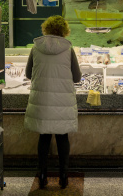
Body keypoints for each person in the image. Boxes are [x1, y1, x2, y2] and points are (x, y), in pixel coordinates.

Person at [24, 15, 81, 190]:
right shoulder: (68, 49)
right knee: (63, 137)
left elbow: (27, 74)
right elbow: (77, 77)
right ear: (64, 30)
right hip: (62, 100)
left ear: (46, 28)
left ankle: (42, 175)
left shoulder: (36, 48)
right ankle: (63, 176)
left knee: (44, 136)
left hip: (42, 100)